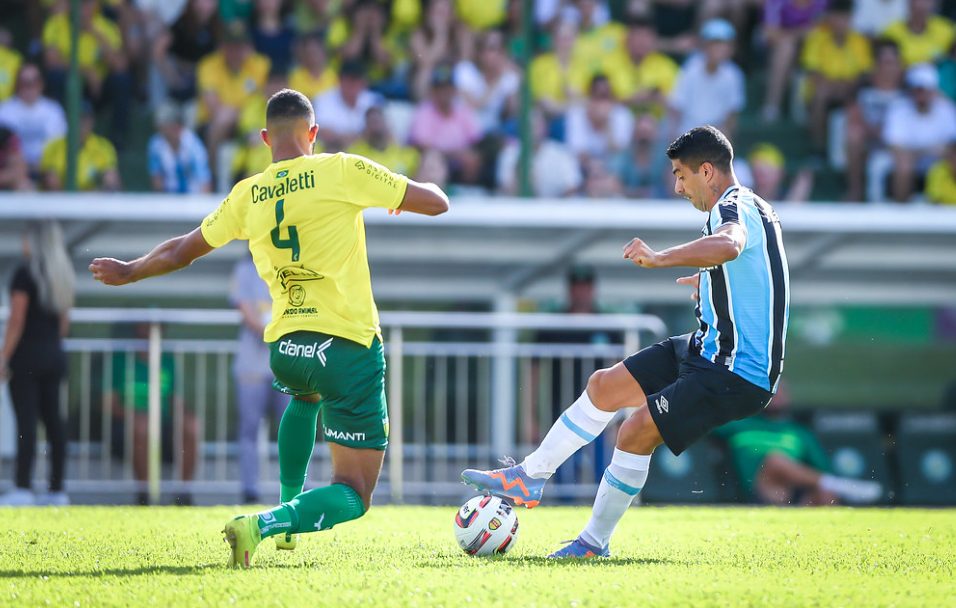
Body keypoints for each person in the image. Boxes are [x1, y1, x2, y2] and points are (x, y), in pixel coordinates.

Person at [89, 87, 449, 568]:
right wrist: (397, 194)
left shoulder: (247, 194)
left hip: (287, 347)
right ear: (313, 133)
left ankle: (286, 507)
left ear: (265, 138)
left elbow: (181, 250)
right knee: (354, 492)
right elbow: (437, 202)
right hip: (346, 348)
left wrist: (131, 270)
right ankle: (264, 525)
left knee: (304, 398)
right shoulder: (340, 169)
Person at [462, 126, 790, 558]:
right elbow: (753, 270)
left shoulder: (735, 205)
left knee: (634, 430)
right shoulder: (752, 207)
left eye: (680, 175)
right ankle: (530, 475)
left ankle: (594, 544)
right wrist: (712, 286)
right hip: (707, 347)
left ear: (707, 171)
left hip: (735, 370)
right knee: (605, 385)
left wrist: (660, 258)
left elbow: (731, 245)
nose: (677, 187)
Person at [0, 222, 74, 506]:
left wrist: (4, 356)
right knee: (54, 422)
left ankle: (23, 487)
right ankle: (57, 490)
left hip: (27, 356)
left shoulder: (24, 273)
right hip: (54, 355)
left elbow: (16, 320)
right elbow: (64, 324)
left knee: (26, 422)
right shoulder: (61, 275)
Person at [712, 390, 882, 505]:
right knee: (775, 459)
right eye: (773, 390)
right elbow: (706, 425)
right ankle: (841, 485)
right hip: (759, 490)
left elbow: (821, 467)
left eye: (782, 391)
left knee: (826, 495)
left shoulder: (799, 432)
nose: (777, 395)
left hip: (793, 494)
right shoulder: (740, 424)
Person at [230, 256, 288, 504]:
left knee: (292, 427)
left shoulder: (289, 264)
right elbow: (245, 309)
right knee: (250, 427)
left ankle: (295, 484)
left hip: (287, 365)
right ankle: (250, 488)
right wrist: (270, 332)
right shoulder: (244, 269)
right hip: (252, 365)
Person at [668, 19, 745, 138]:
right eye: (715, 44)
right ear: (705, 46)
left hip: (717, 135)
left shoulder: (734, 75)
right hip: (687, 135)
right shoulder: (689, 70)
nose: (719, 49)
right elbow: (677, 109)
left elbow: (732, 116)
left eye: (723, 44)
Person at [0, 64, 67, 176]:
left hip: (46, 169)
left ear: (41, 84)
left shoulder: (53, 110)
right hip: (14, 169)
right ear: (17, 84)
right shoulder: (4, 110)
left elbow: (58, 144)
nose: (29, 86)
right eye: (24, 82)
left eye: (34, 81)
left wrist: (42, 164)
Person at [147, 103, 212, 194]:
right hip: (168, 198)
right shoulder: (156, 144)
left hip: (194, 198)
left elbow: (204, 180)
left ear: (176, 125)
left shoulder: (194, 145)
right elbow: (157, 179)